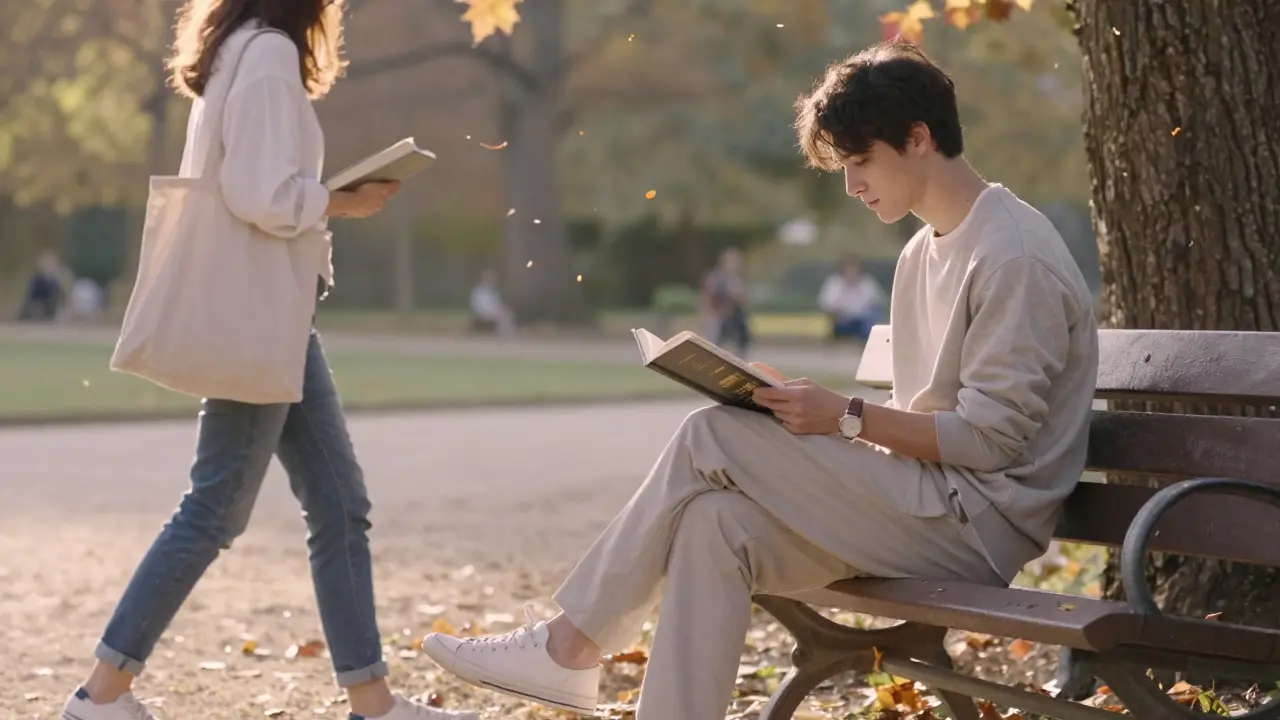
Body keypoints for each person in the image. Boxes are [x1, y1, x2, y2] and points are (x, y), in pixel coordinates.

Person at [418, 38, 1099, 720]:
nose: (852, 185)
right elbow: (925, 415)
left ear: (918, 138)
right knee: (716, 525)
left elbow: (992, 442)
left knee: (711, 435)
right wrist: (797, 410)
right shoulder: (924, 250)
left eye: (860, 162)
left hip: (973, 527)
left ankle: (567, 648)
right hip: (927, 501)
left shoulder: (1012, 256)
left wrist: (845, 418)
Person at [58, 2, 477, 720]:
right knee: (214, 509)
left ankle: (373, 704)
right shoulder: (268, 54)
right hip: (261, 317)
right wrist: (340, 202)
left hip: (272, 317)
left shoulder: (235, 47)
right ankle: (100, 696)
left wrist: (327, 199)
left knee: (340, 505)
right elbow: (259, 195)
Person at [817, 256, 887, 343]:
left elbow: (878, 301)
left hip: (863, 321)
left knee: (872, 318)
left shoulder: (867, 283)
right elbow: (826, 305)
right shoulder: (835, 284)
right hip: (843, 321)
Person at [699, 247, 751, 357]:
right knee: (712, 344)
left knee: (740, 345)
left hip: (735, 317)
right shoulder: (715, 277)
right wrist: (705, 314)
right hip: (718, 316)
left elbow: (743, 300)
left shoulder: (737, 279)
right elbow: (707, 296)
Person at [17, 251, 66, 321]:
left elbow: (62, 299)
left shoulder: (59, 281)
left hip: (51, 309)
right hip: (37, 306)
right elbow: (29, 297)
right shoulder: (36, 280)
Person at [469, 268, 516, 335]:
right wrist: (493, 312)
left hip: (494, 312)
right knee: (502, 316)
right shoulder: (479, 291)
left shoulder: (493, 291)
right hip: (483, 314)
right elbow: (479, 306)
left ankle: (508, 332)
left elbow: (497, 304)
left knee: (507, 313)